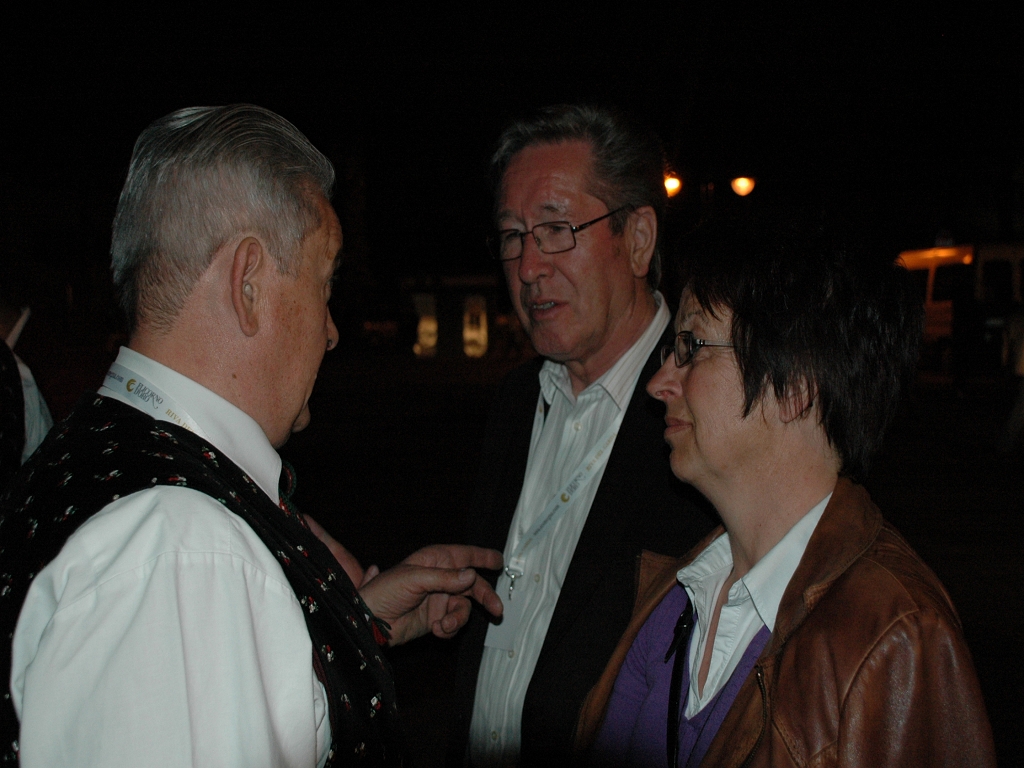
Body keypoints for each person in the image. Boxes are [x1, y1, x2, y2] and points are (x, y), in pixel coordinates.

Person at [0, 104, 502, 768]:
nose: (331, 331)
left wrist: (352, 621)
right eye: (324, 284)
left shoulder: (89, 452)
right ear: (249, 284)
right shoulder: (186, 553)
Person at [580, 218, 996, 766]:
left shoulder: (895, 638)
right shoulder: (677, 592)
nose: (659, 384)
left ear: (796, 385)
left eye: (692, 346)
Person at [451, 105, 715, 767]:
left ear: (638, 239)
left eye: (556, 230)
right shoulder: (513, 403)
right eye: (513, 236)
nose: (528, 266)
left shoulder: (707, 413)